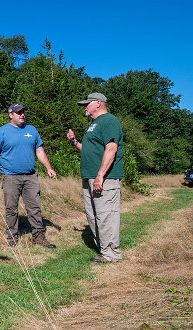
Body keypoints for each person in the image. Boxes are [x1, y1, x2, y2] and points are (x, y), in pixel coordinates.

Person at [0, 104, 57, 248]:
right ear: (10, 115)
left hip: (31, 176)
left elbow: (39, 150)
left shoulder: (31, 130)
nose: (22, 115)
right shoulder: (1, 132)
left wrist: (49, 168)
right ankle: (12, 239)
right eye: (18, 112)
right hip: (10, 176)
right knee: (11, 209)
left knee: (34, 207)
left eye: (23, 112)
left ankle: (39, 237)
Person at [66, 92, 124, 263]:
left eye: (87, 103)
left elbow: (111, 149)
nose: (85, 106)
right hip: (89, 176)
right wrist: (74, 142)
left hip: (104, 178)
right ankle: (104, 250)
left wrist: (100, 176)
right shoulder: (93, 124)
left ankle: (112, 254)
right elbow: (89, 149)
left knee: (106, 215)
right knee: (93, 215)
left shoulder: (109, 121)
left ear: (98, 103)